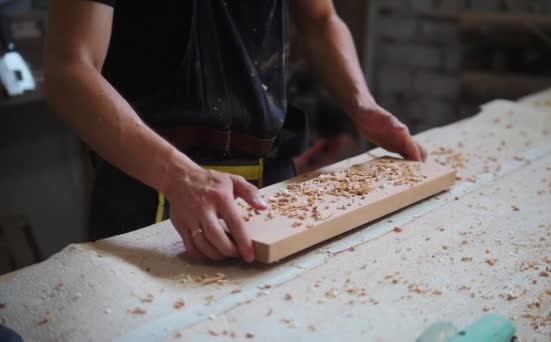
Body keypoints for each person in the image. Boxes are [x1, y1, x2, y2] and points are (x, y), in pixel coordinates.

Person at [45, 0, 426, 264]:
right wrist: (178, 176)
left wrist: (362, 105)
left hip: (268, 176)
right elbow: (69, 70)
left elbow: (321, 19)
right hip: (149, 180)